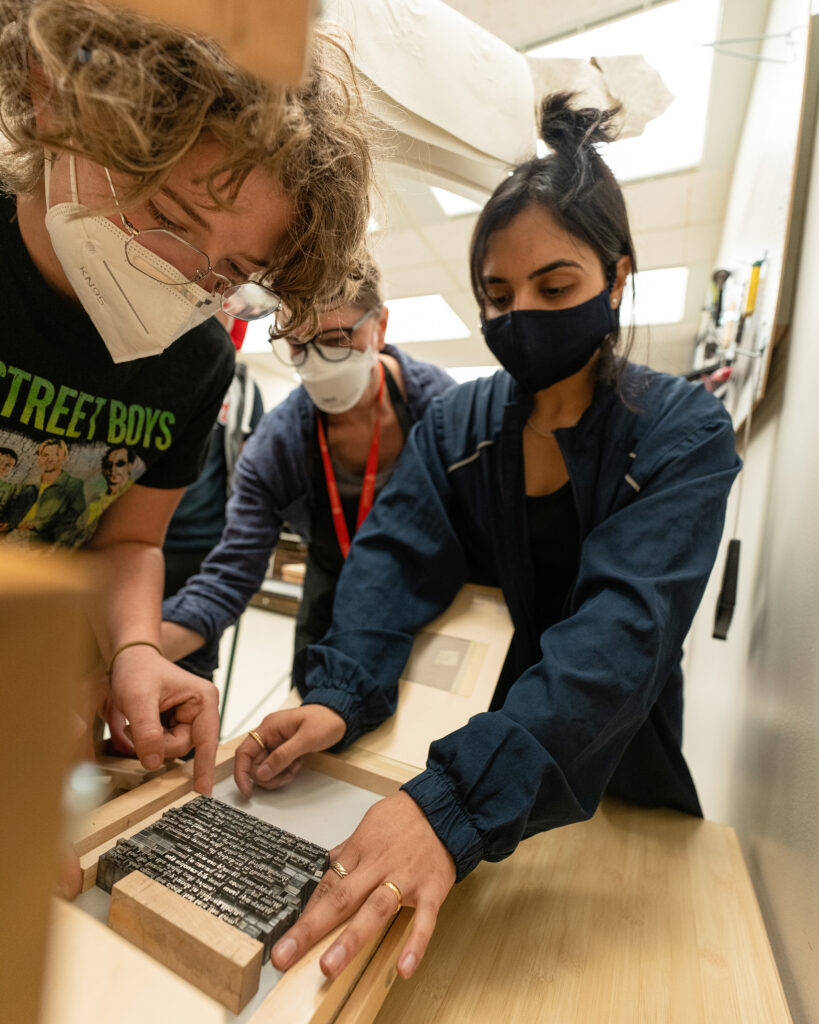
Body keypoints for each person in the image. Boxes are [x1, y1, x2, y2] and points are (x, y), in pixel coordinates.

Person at [233, 95, 742, 982]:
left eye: (555, 288)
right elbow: (393, 557)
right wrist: (343, 691)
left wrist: (452, 805)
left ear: (616, 278)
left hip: (607, 748)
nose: (523, 317)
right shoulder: (459, 423)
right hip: (472, 729)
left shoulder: (683, 434)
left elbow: (620, 638)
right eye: (497, 297)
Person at [0, 0, 374, 793]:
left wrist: (134, 649)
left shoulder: (196, 363)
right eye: (169, 218)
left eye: (232, 272)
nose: (188, 281)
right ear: (56, 102)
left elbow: (129, 543)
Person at [160, 264, 454, 680]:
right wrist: (141, 650)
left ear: (380, 326)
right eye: (297, 345)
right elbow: (230, 576)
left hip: (435, 594)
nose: (316, 363)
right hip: (333, 590)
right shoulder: (277, 447)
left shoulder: (441, 412)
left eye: (335, 340)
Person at [162, 348, 265, 602]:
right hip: (141, 531)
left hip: (204, 542)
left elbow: (250, 467)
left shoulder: (246, 390)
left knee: (195, 631)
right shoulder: (162, 370)